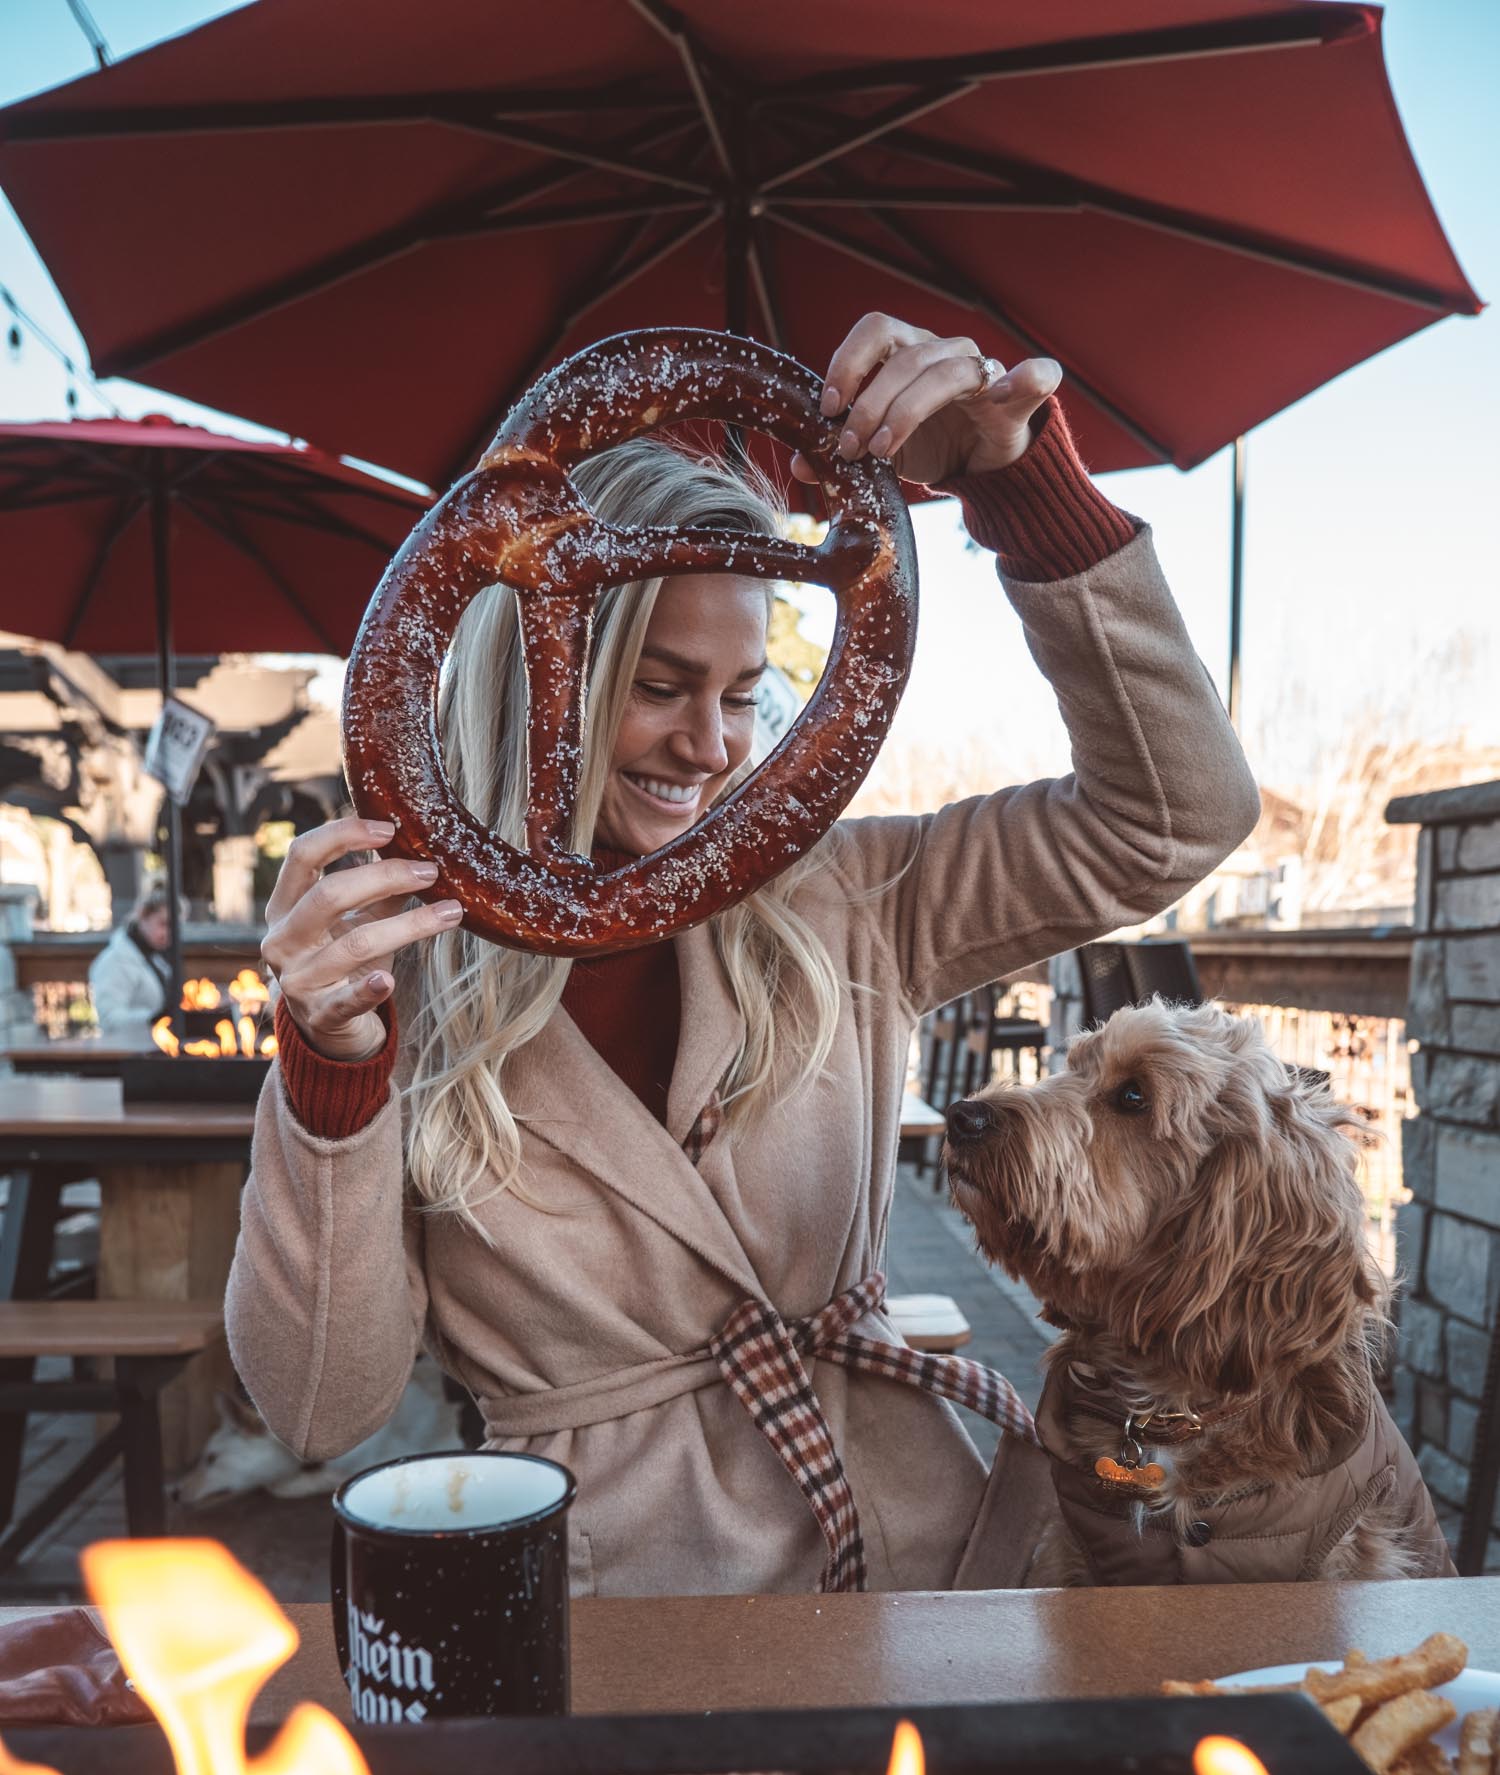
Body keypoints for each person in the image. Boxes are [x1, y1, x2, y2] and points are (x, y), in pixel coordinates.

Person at [227, 311, 1260, 1597]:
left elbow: (1176, 817)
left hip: (927, 1564)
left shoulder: (845, 893)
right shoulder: (402, 979)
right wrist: (329, 1076)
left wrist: (1022, 491)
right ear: (548, 657)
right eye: (660, 687)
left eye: (744, 691)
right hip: (619, 1605)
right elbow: (321, 1405)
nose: (712, 748)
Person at [88, 884, 174, 1041]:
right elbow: (109, 1019)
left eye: (174, 926)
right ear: (143, 917)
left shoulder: (155, 957)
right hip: (125, 1054)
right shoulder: (115, 961)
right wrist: (154, 1018)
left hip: (151, 1049)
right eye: (163, 924)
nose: (169, 933)